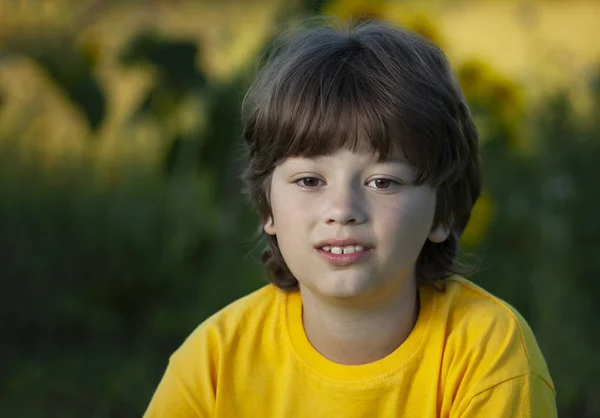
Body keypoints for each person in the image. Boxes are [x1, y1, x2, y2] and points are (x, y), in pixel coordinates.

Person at [143, 18, 557, 417]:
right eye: (309, 180)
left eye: (383, 182)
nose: (342, 210)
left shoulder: (489, 351)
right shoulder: (214, 360)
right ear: (268, 207)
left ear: (442, 213)